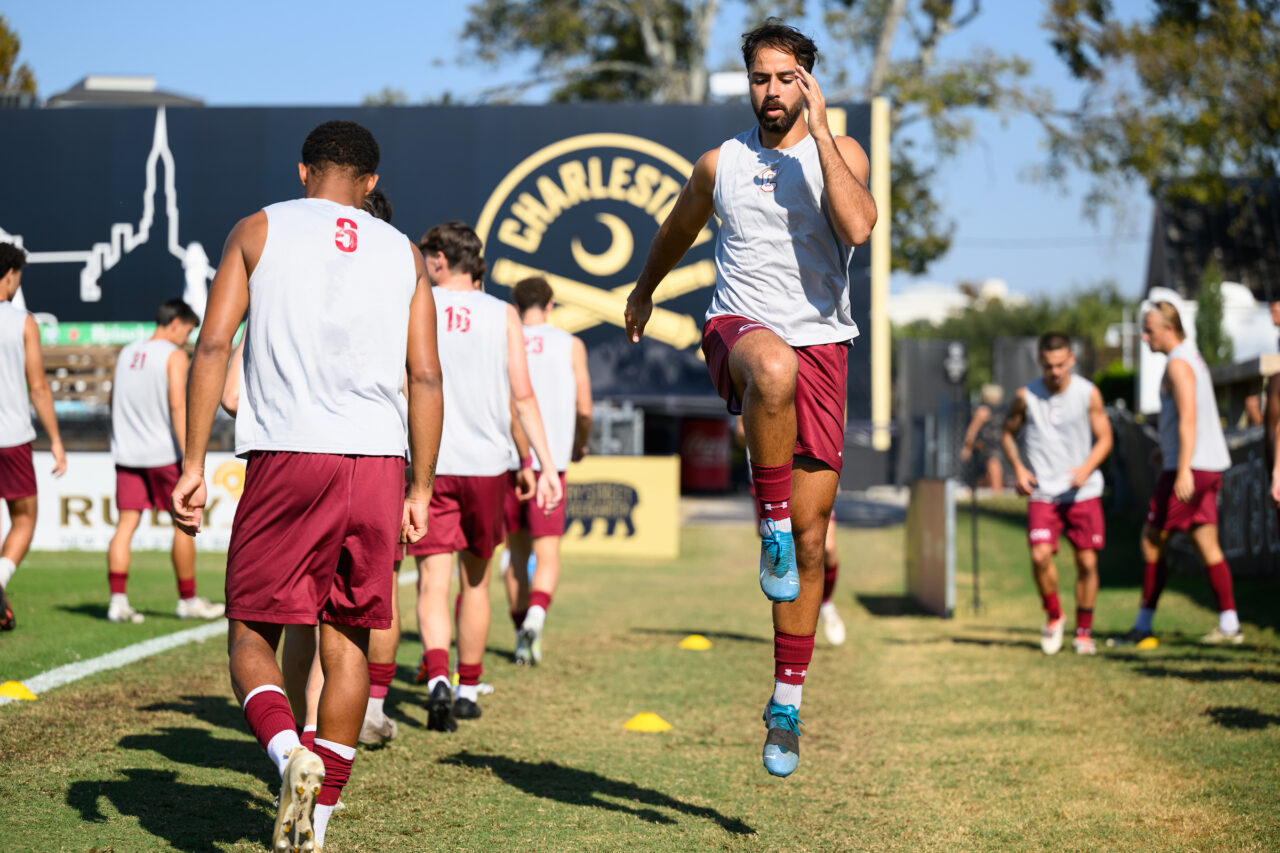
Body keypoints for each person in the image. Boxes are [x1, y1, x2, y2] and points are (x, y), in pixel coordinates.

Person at [171, 120, 444, 852]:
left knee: (251, 634)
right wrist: (421, 487)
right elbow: (424, 375)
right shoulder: (404, 251)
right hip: (379, 463)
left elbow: (214, 344)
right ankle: (317, 822)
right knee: (348, 639)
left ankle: (289, 750)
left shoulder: (259, 228)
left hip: (289, 452)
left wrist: (193, 463)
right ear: (372, 183)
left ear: (304, 171)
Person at [624, 19, 876, 777]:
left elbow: (859, 224)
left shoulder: (841, 153)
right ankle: (764, 522)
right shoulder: (720, 162)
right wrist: (643, 290)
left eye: (785, 77)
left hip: (824, 346)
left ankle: (786, 705)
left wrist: (825, 134)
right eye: (760, 78)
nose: (771, 91)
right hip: (742, 330)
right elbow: (677, 228)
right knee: (768, 368)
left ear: (807, 80)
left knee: (812, 537)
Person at [405, 222, 561, 731]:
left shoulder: (415, 303)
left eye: (428, 255)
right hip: (487, 467)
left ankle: (435, 679)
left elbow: (404, 385)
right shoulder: (502, 314)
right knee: (475, 582)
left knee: (431, 581)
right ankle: (469, 686)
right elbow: (522, 395)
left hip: (428, 463)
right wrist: (539, 461)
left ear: (442, 260)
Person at [1109, 301, 1241, 649]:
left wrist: (1181, 467)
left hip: (1191, 469)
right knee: (1205, 543)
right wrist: (1165, 450)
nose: (1144, 336)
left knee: (1152, 540)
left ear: (1170, 328)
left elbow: (1189, 418)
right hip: (1207, 465)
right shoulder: (1191, 357)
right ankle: (1230, 624)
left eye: (1149, 329)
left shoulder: (1179, 363)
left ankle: (1142, 626)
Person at [105, 299, 223, 624]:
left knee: (125, 526)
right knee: (183, 525)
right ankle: (187, 600)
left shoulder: (127, 352)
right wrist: (191, 457)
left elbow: (111, 399)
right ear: (175, 323)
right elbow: (178, 405)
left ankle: (117, 602)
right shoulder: (174, 354)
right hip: (163, 454)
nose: (187, 338)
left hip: (127, 453)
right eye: (187, 330)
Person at [1001, 333, 1113, 656]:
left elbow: (1105, 438)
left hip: (1083, 491)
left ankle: (1083, 632)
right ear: (1040, 362)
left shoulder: (1089, 394)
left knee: (1087, 563)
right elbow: (1008, 435)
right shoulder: (1025, 396)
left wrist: (1087, 467)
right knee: (1039, 556)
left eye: (1061, 364)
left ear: (1071, 360)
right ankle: (1054, 617)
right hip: (1044, 493)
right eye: (1049, 365)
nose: (1055, 371)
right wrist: (1019, 470)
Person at [502, 276, 593, 666]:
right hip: (550, 465)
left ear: (515, 305)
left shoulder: (505, 338)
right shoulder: (571, 345)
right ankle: (536, 617)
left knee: (514, 556)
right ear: (551, 305)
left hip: (507, 462)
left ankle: (521, 635)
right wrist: (579, 443)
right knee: (548, 553)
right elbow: (585, 407)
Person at [0, 242, 66, 631]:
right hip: (11, 437)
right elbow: (38, 386)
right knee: (24, 518)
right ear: (9, 275)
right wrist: (56, 441)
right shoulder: (22, 321)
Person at [960, 384, 1006, 494]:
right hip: (986, 445)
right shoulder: (983, 410)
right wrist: (967, 447)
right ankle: (997, 495)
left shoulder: (1000, 410)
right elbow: (973, 430)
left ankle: (972, 489)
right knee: (994, 466)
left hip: (998, 444)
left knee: (987, 473)